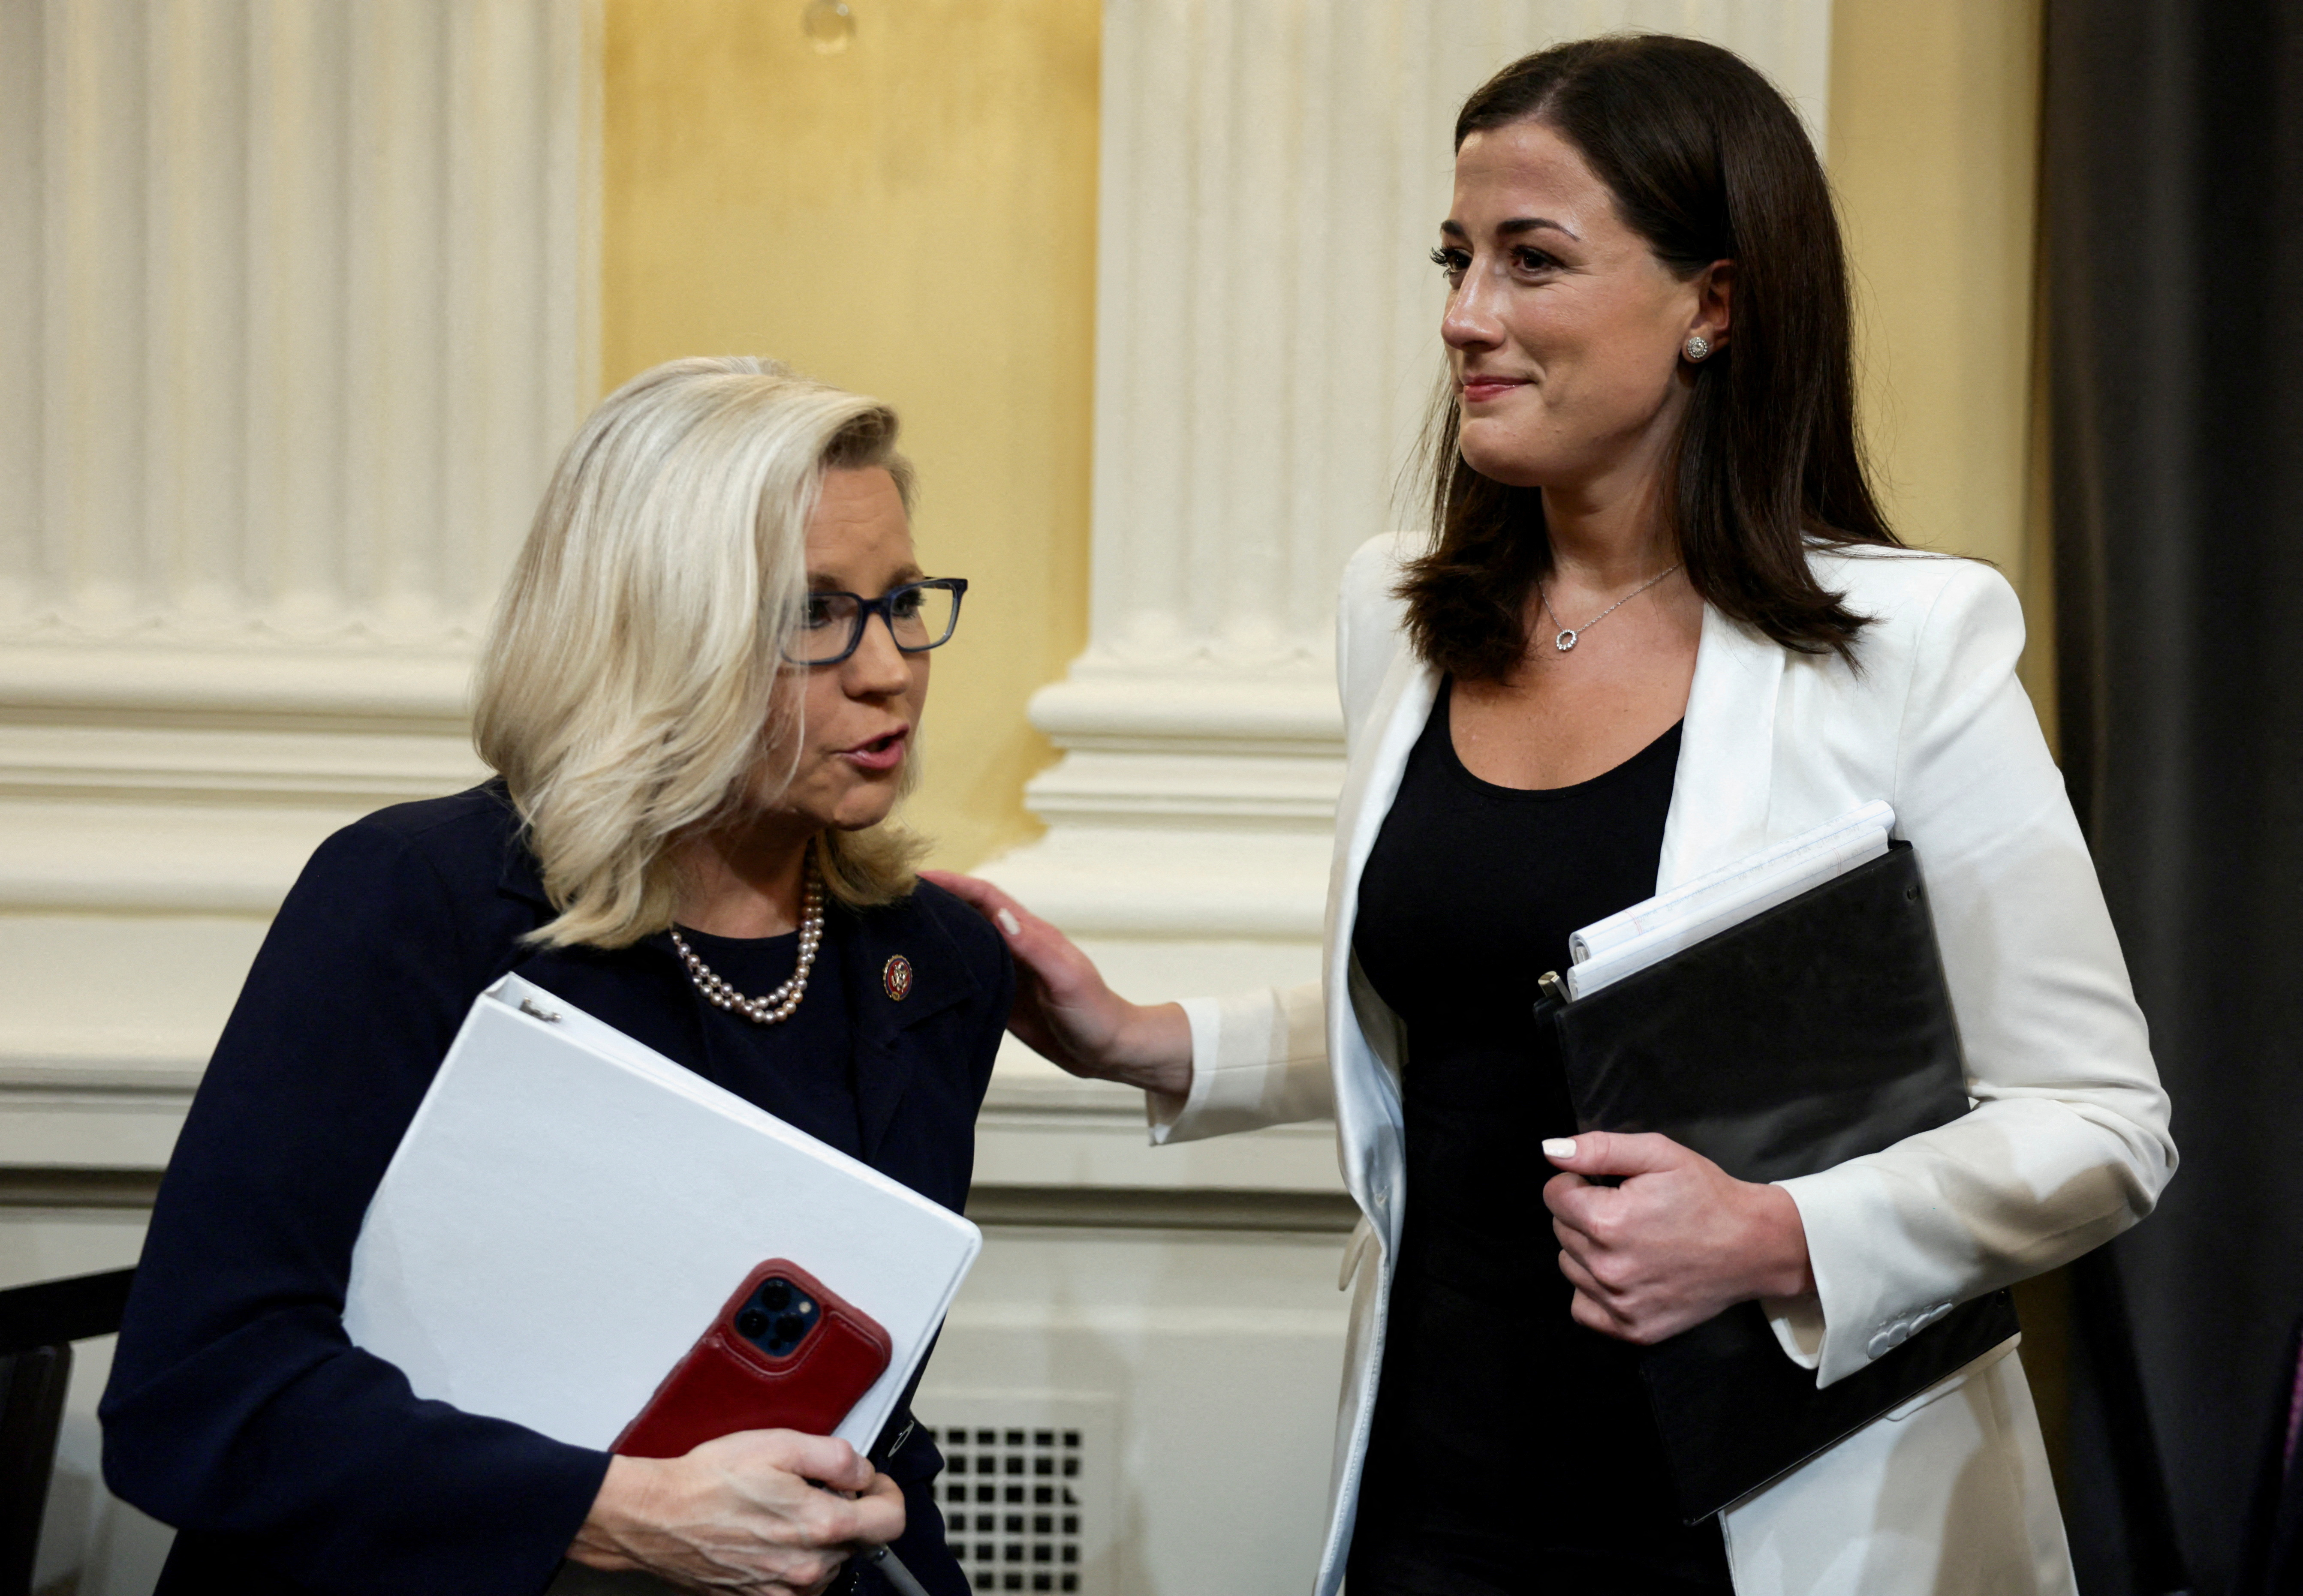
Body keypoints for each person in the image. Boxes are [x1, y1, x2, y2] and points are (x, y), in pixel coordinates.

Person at [926, 36, 2173, 1596]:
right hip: (1435, 1485)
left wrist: (1777, 1231)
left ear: (1711, 303)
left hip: (1766, 1517)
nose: (1465, 318)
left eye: (1531, 261)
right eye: (1455, 260)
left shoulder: (1908, 647)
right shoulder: (1394, 612)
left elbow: (2102, 1126)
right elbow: (1499, 1008)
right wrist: (1157, 1042)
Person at [100, 356, 1008, 1596]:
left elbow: (862, 1423)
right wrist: (606, 1509)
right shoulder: (415, 898)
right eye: (813, 612)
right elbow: (199, 1396)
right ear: (652, 633)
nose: (888, 665)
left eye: (904, 599)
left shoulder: (929, 962)